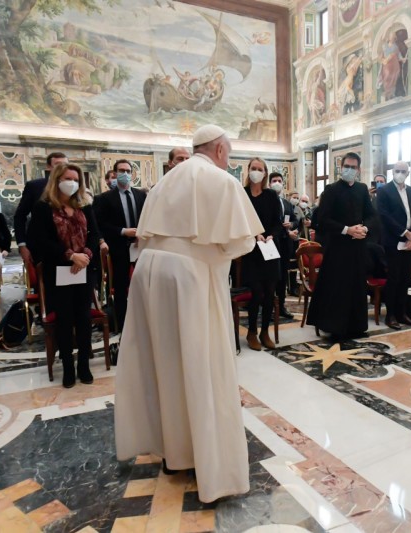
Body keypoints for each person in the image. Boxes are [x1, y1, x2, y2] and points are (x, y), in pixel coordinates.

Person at [114, 124, 261, 503]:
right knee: (201, 364)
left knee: (166, 362)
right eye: (227, 152)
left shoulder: (166, 180)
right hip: (189, 275)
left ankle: (176, 453)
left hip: (151, 273)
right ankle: (210, 463)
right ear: (218, 151)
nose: (228, 159)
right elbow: (240, 243)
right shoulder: (219, 178)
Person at [27, 163, 100, 388]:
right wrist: (70, 256)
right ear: (57, 180)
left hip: (83, 271)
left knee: (84, 319)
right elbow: (38, 241)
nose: (72, 183)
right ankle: (68, 366)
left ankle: (84, 366)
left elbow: (94, 234)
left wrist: (85, 255)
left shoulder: (84, 205)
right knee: (65, 320)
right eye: (68, 178)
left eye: (76, 179)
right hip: (58, 270)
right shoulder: (43, 208)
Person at [307, 152, 375, 339]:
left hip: (357, 246)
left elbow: (371, 214)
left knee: (357, 286)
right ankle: (335, 328)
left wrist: (365, 228)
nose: (350, 170)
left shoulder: (362, 189)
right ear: (340, 168)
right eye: (347, 166)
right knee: (338, 287)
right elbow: (323, 220)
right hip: (337, 247)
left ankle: (356, 327)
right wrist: (347, 229)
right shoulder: (331, 189)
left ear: (359, 170)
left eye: (353, 167)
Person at [95, 159, 146, 331]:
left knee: (144, 285)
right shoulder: (104, 199)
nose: (124, 174)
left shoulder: (141, 195)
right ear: (115, 173)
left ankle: (143, 322)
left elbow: (146, 219)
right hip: (118, 249)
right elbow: (100, 225)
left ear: (132, 174)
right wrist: (123, 231)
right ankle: (123, 325)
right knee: (121, 289)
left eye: (127, 170)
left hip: (140, 248)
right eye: (120, 170)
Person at [376, 161, 411, 329]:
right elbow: (384, 216)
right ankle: (390, 315)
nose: (400, 173)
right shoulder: (384, 191)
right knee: (394, 279)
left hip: (410, 242)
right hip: (393, 241)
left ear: (408, 173)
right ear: (392, 172)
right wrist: (405, 233)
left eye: (403, 171)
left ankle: (402, 313)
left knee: (405, 279)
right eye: (397, 170)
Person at [239, 162, 282, 350]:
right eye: (253, 168)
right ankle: (252, 332)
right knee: (256, 293)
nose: (256, 172)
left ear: (265, 173)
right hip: (251, 250)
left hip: (269, 248)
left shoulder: (271, 195)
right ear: (249, 171)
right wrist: (254, 234)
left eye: (260, 169)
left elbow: (277, 221)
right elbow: (239, 220)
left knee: (269, 293)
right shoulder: (242, 194)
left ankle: (265, 331)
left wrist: (271, 234)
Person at [14, 152, 69, 265]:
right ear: (49, 167)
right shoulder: (34, 187)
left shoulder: (73, 187)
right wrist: (22, 245)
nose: (62, 168)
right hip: (40, 246)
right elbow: (20, 215)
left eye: (65, 164)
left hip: (68, 246)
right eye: (58, 164)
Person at [268, 171, 298, 319]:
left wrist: (291, 225)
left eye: (279, 180)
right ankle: (269, 306)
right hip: (271, 243)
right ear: (269, 183)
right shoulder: (266, 200)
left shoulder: (286, 203)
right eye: (274, 180)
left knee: (282, 276)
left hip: (285, 244)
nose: (277, 183)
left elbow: (295, 219)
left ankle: (281, 305)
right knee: (271, 276)